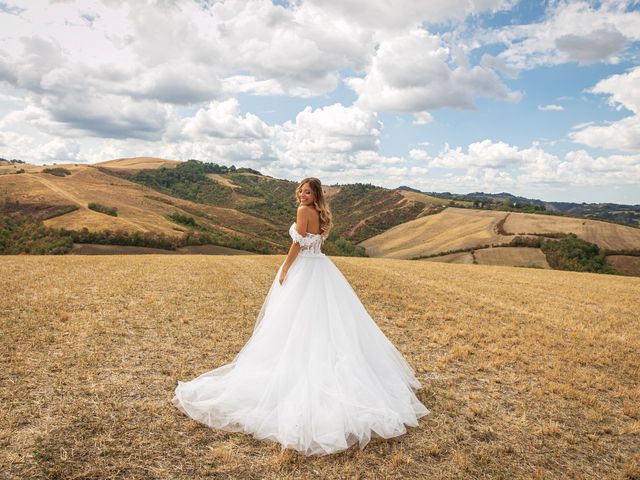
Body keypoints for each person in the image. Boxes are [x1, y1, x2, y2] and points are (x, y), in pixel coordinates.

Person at [171, 177, 429, 456]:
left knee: (294, 320)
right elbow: (316, 243)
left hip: (305, 267)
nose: (302, 195)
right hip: (321, 267)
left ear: (315, 194)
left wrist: (285, 269)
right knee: (325, 321)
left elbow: (298, 245)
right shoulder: (320, 214)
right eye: (301, 191)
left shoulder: (303, 213)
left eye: (308, 192)